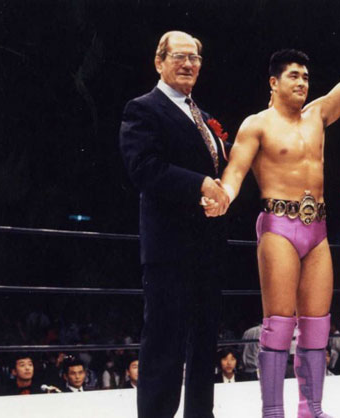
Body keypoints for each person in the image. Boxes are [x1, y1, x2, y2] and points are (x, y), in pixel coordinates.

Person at [209, 4, 340, 417]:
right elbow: (236, 170)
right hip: (276, 225)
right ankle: (272, 411)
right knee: (278, 322)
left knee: (317, 323)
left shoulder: (318, 116)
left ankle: (310, 408)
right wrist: (223, 195)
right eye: (293, 75)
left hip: (317, 229)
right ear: (273, 82)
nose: (302, 82)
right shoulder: (256, 124)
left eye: (306, 76)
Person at [119, 30, 230, 418]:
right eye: (180, 56)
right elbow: (143, 168)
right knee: (164, 345)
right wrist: (198, 183)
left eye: (195, 58)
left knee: (203, 344)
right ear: (159, 61)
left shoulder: (202, 114)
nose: (188, 64)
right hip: (169, 248)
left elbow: (220, 170)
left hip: (208, 247)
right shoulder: (143, 108)